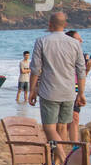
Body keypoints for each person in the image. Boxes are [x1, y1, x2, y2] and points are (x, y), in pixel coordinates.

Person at [29, 11, 86, 144]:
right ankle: (58, 162)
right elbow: (81, 70)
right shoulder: (75, 43)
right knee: (62, 127)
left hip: (49, 91)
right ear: (65, 25)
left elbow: (36, 69)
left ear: (50, 24)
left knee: (49, 127)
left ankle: (60, 154)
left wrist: (32, 89)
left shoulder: (41, 41)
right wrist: (81, 93)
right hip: (69, 92)